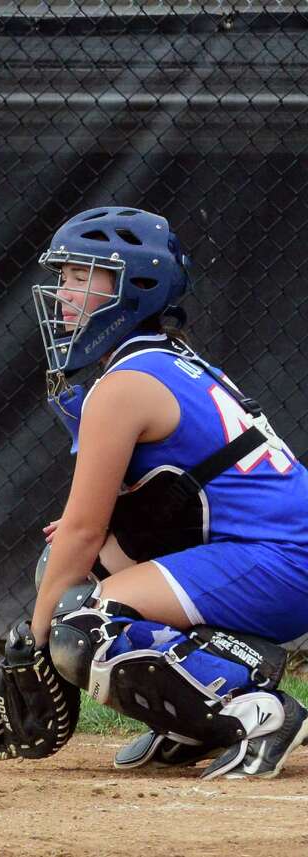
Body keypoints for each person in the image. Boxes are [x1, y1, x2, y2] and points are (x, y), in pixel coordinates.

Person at [29, 206, 308, 779]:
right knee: (69, 571)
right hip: (272, 551)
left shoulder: (126, 383)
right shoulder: (165, 360)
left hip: (284, 560)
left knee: (80, 622)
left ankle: (253, 711)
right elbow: (135, 514)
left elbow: (82, 532)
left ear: (134, 288)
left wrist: (32, 652)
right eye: (64, 276)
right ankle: (191, 722)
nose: (63, 294)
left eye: (83, 277)